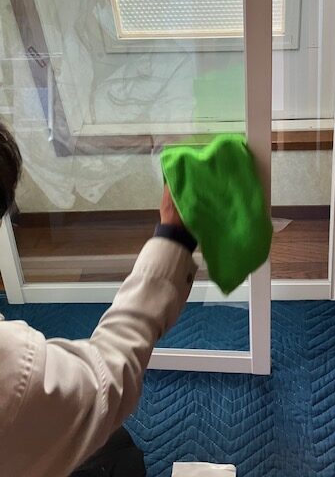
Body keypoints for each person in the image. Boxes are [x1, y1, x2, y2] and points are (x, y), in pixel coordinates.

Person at [0, 122, 198, 476]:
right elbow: (104, 385)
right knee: (114, 454)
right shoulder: (11, 372)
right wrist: (174, 237)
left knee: (106, 443)